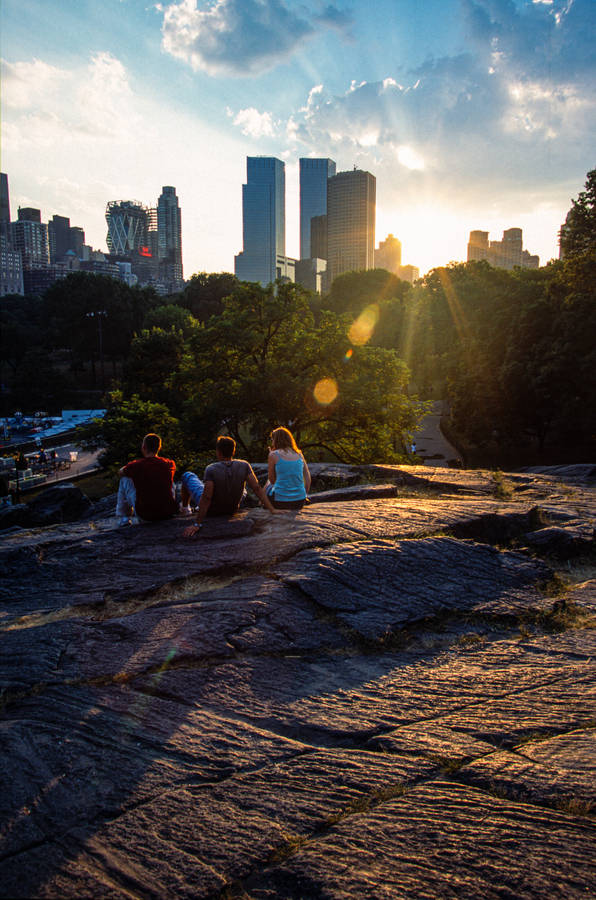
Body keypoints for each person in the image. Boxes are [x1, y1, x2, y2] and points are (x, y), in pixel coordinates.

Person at [182, 435, 279, 538]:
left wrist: (197, 524)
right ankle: (195, 507)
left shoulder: (211, 469)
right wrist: (272, 509)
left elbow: (207, 497)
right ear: (233, 451)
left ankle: (185, 509)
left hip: (212, 511)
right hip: (231, 509)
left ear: (218, 452)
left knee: (187, 475)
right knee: (244, 490)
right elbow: (257, 488)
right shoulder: (244, 465)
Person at [116, 433, 177, 525]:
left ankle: (124, 518)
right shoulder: (169, 463)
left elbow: (120, 472)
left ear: (143, 447)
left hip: (146, 516)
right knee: (169, 479)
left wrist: (128, 467)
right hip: (168, 513)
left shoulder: (136, 465)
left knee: (124, 479)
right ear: (159, 448)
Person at [266, 426, 311, 510]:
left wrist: (271, 455)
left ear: (276, 440)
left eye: (272, 440)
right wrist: (304, 495)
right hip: (299, 502)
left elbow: (272, 479)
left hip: (280, 502)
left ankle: (262, 503)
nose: (272, 442)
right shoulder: (299, 454)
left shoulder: (273, 455)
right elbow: (308, 479)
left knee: (268, 483)